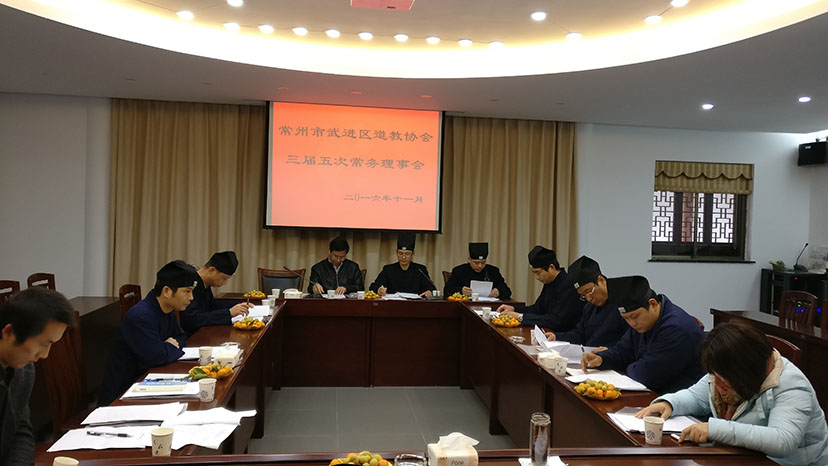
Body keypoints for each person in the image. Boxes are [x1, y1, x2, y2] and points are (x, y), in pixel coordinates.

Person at [636, 323, 828, 466]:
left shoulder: (792, 384)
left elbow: (782, 440)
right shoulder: (727, 369)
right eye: (715, 376)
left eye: (724, 380)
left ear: (744, 371)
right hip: (744, 457)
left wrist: (714, 429)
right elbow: (696, 397)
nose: (717, 384)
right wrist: (669, 404)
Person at [580, 275, 705, 394]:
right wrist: (602, 359)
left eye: (634, 316)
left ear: (653, 304)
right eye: (626, 318)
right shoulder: (644, 323)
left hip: (678, 399)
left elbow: (646, 376)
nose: (632, 323)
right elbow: (623, 350)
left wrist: (629, 364)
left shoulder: (676, 329)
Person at [98, 260, 197, 406]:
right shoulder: (140, 316)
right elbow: (156, 357)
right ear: (167, 291)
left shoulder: (168, 309)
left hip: (149, 382)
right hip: (122, 396)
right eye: (187, 291)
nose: (191, 297)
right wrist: (169, 346)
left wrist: (166, 347)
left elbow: (181, 338)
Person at [0, 288, 75, 465]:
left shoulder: (24, 371)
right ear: (9, 332)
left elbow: (20, 430)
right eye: (42, 344)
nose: (45, 355)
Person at [545, 256, 627, 348]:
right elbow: (580, 334)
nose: (588, 299)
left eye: (588, 291)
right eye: (583, 295)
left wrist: (609, 352)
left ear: (601, 280)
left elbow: (629, 344)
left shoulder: (624, 303)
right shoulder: (589, 308)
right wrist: (557, 337)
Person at [496, 246, 582, 330]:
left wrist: (520, 317)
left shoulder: (568, 285)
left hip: (562, 334)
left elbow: (555, 320)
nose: (537, 277)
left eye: (538, 272)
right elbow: (537, 309)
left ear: (551, 267)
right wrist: (514, 309)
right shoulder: (549, 282)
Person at [180, 251, 251, 336]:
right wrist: (229, 313)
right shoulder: (190, 284)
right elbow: (193, 319)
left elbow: (212, 305)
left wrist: (238, 306)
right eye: (224, 278)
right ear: (212, 270)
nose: (224, 283)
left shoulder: (203, 282)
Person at [369, 232, 433, 297]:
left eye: (407, 254)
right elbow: (373, 286)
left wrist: (429, 291)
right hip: (393, 302)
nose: (403, 257)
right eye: (400, 253)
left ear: (412, 254)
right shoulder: (388, 269)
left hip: (414, 302)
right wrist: (378, 290)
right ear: (396, 253)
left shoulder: (420, 270)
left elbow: (431, 287)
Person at [443, 242, 512, 300]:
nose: (480, 266)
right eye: (476, 263)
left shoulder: (493, 271)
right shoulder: (459, 271)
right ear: (469, 260)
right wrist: (461, 290)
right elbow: (447, 290)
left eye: (483, 262)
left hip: (488, 306)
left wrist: (499, 291)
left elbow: (507, 291)